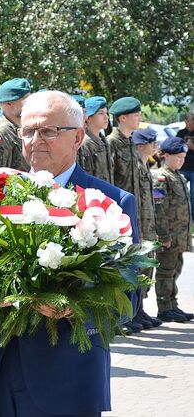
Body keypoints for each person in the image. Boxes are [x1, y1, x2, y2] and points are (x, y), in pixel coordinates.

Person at [0, 90, 139, 417]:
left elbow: (129, 300)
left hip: (65, 381)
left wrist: (72, 308)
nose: (35, 140)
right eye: (27, 131)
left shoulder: (109, 204)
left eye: (49, 131)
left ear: (78, 137)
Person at [104, 96, 144, 332]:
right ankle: (120, 315)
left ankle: (134, 311)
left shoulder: (130, 142)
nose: (140, 118)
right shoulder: (112, 143)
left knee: (134, 264)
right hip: (117, 214)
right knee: (119, 266)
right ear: (122, 118)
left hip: (131, 211)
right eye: (136, 115)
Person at [151, 137, 194, 323]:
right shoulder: (161, 177)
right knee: (166, 271)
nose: (181, 160)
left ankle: (172, 304)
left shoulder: (178, 176)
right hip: (169, 235)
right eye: (178, 157)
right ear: (165, 155)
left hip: (179, 235)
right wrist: (164, 235)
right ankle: (164, 307)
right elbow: (158, 208)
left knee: (175, 269)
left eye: (184, 157)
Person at [131, 127, 162, 329]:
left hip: (148, 225)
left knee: (146, 270)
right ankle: (133, 312)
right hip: (139, 224)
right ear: (141, 146)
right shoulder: (136, 166)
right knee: (137, 270)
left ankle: (140, 309)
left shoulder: (145, 167)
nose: (155, 147)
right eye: (152, 143)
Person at [77, 96, 112, 182]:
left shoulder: (104, 142)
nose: (106, 117)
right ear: (88, 118)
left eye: (106, 113)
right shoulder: (85, 143)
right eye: (101, 113)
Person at [175, 112, 194, 221]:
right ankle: (181, 216)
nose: (189, 123)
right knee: (179, 194)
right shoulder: (181, 133)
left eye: (191, 121)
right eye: (187, 121)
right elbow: (174, 147)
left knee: (193, 196)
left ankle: (192, 218)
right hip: (181, 167)